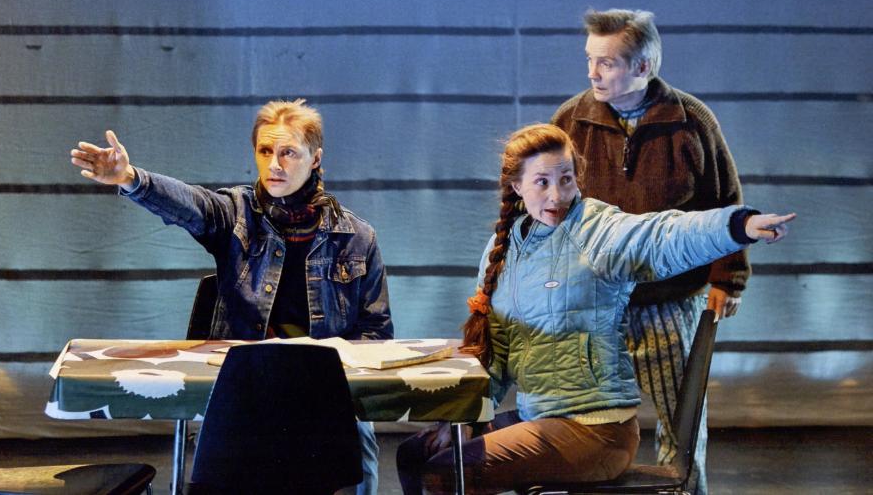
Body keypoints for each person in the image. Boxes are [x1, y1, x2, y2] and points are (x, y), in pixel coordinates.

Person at [395, 124, 793, 495]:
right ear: (517, 186)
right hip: (541, 416)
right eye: (542, 182)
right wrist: (467, 418)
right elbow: (495, 352)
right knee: (415, 454)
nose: (556, 195)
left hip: (597, 432)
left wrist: (738, 226)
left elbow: (663, 236)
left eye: (566, 179)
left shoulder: (597, 231)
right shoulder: (505, 248)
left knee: (444, 474)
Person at [70, 98, 392, 495]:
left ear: (315, 159)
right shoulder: (236, 214)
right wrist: (130, 177)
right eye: (265, 151)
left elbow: (377, 335)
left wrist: (331, 365)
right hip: (246, 390)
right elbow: (190, 204)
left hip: (323, 394)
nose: (275, 164)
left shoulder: (357, 238)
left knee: (358, 446)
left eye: (288, 152)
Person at [552, 8, 743, 494]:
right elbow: (544, 202)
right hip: (593, 302)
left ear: (643, 66)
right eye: (589, 60)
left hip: (667, 300)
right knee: (581, 423)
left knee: (682, 426)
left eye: (607, 62)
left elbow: (723, 201)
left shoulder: (690, 121)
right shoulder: (571, 120)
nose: (592, 73)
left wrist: (727, 278)